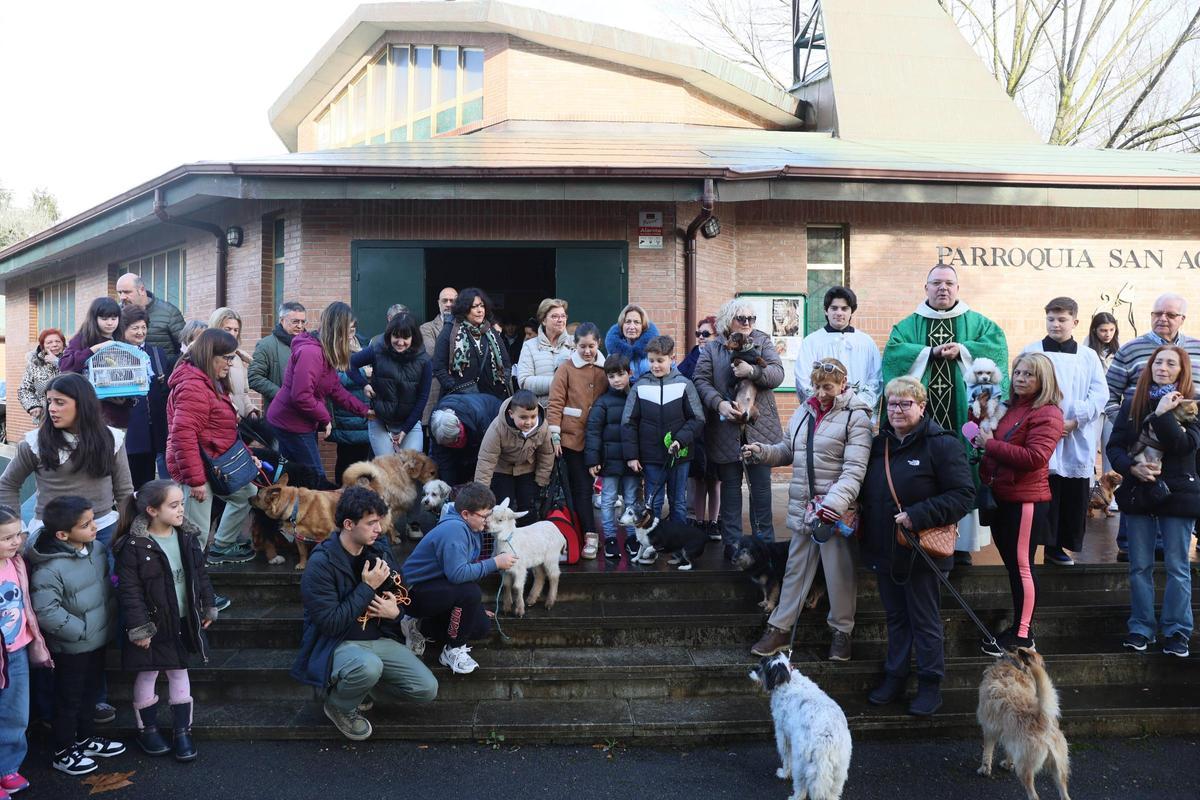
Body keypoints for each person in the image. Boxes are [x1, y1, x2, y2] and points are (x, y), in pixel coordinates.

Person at [859, 377, 975, 717]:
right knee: (895, 618)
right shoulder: (878, 444)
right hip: (884, 549)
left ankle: (929, 684)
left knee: (924, 619)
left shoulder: (942, 444)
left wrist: (917, 515)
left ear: (922, 407)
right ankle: (895, 676)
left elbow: (963, 495)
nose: (896, 410)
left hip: (922, 551)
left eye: (905, 403)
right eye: (892, 403)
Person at [744, 358, 873, 662]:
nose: (820, 392)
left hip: (834, 512)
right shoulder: (804, 411)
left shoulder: (857, 416)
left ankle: (842, 633)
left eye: (827, 386)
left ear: (843, 384)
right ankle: (779, 628)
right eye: (816, 386)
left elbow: (855, 470)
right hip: (805, 508)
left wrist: (833, 505)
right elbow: (788, 449)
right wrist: (762, 452)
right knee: (794, 571)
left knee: (839, 574)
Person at [882, 265, 1009, 566]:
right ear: (925, 288)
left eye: (949, 283)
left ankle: (961, 545)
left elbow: (997, 348)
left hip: (961, 420)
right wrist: (929, 353)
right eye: (936, 283)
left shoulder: (978, 323)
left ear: (958, 288)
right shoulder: (907, 326)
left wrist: (964, 350)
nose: (943, 288)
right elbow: (893, 355)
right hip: (922, 426)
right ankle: (921, 536)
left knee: (960, 474)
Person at [291, 487, 438, 741]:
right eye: (371, 523)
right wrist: (367, 587)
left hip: (377, 639)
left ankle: (360, 689)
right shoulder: (321, 563)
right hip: (337, 643)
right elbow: (330, 623)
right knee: (368, 666)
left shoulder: (377, 550)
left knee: (426, 689)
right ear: (348, 524)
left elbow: (401, 593)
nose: (378, 529)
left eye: (379, 522)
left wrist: (396, 612)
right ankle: (339, 705)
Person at [113, 480, 217, 762]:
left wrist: (207, 606)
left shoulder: (187, 537)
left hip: (181, 620)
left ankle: (183, 731)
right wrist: (139, 628)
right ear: (152, 510)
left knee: (179, 671)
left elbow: (200, 575)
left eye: (182, 503)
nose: (182, 509)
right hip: (151, 624)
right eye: (174, 505)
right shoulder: (134, 546)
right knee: (147, 673)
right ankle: (148, 729)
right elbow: (130, 592)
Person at [1107, 345, 1198, 658]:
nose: (1163, 367)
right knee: (1139, 566)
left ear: (1181, 370)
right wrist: (1132, 467)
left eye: (1171, 363)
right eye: (1158, 361)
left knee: (1177, 566)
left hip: (1178, 494)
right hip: (1139, 492)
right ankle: (1141, 628)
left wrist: (1161, 415)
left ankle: (1176, 631)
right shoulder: (1133, 402)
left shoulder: (1192, 406)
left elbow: (1186, 445)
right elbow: (1115, 446)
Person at [27, 496, 124, 775]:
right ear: (62, 534)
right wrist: (80, 631)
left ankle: (85, 739)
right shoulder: (50, 566)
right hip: (72, 647)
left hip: (97, 640)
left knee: (90, 694)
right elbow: (46, 610)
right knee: (68, 699)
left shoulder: (95, 549)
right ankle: (63, 751)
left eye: (93, 521)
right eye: (86, 524)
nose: (95, 528)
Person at [975, 352, 1064, 654]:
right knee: (1014, 566)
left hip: (1026, 501)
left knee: (1022, 567)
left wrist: (991, 445)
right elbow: (997, 446)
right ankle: (1020, 625)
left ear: (1044, 380)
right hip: (1002, 497)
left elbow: (1035, 458)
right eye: (1018, 373)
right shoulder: (1010, 407)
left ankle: (1023, 635)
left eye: (1029, 374)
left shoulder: (1048, 413)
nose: (1022, 379)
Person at [1104, 293, 1200, 560]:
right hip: (1142, 441)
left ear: (1182, 319)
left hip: (1187, 439)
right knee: (1139, 494)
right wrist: (1128, 424)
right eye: (1157, 313)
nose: (1163, 319)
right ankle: (1129, 543)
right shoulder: (1131, 349)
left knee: (1183, 503)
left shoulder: (1197, 347)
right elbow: (1109, 393)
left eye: (1170, 315)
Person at [0, 373, 133, 552]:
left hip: (102, 528)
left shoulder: (111, 439)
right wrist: (18, 530)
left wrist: (129, 528)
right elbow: (7, 484)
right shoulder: (35, 443)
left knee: (109, 578)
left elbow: (124, 490)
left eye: (60, 402)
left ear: (83, 404)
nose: (52, 408)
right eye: (49, 402)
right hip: (53, 534)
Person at [693, 299, 784, 554]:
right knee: (730, 493)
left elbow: (777, 374)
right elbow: (700, 381)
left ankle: (764, 548)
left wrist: (753, 371)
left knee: (761, 492)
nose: (747, 324)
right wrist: (719, 404)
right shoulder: (713, 348)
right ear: (727, 320)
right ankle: (732, 547)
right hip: (725, 431)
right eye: (741, 319)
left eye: (751, 319)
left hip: (759, 429)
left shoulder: (762, 341)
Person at [1021, 298, 1107, 565]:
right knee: (1043, 491)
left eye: (1062, 319)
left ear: (1075, 322)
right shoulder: (1033, 351)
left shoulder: (1088, 356)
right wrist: (1047, 424)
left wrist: (1076, 419)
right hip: (1041, 433)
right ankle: (1033, 544)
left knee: (1071, 493)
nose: (1055, 324)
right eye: (1051, 319)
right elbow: (1021, 386)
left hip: (1075, 435)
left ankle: (1058, 547)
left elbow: (1100, 393)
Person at [166, 329, 258, 566]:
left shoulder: (210, 382)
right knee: (194, 535)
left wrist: (248, 457)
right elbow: (182, 436)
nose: (230, 364)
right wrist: (195, 480)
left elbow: (224, 431)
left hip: (215, 464)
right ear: (209, 355)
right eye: (227, 358)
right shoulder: (193, 386)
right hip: (199, 469)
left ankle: (222, 546)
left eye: (232, 357)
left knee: (248, 494)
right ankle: (194, 597)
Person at [401, 482, 514, 675]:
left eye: (489, 514)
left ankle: (423, 626)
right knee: (470, 592)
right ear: (466, 514)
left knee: (479, 627)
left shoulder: (470, 528)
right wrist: (495, 563)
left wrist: (472, 608)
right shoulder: (455, 529)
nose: (487, 521)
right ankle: (452, 650)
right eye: (484, 516)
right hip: (410, 595)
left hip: (436, 589)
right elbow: (458, 574)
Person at [267, 302, 373, 481]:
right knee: (316, 479)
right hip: (290, 424)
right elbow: (301, 395)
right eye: (349, 331)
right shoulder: (312, 353)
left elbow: (335, 389)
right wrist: (325, 418)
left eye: (353, 330)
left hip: (298, 423)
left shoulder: (324, 352)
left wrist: (365, 411)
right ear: (337, 330)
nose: (351, 337)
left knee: (293, 477)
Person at [623, 335, 705, 526]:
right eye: (651, 361)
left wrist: (680, 440)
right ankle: (652, 546)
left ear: (672, 358)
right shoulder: (640, 386)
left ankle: (678, 548)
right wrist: (632, 456)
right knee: (654, 503)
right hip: (651, 458)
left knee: (679, 503)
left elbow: (698, 419)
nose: (655, 365)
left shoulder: (685, 384)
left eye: (660, 360)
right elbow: (628, 423)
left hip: (679, 456)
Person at [0, 505, 52, 794]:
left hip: (17, 650)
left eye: (18, 534)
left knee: (16, 713)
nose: (16, 541)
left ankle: (7, 768)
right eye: (7, 538)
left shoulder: (17, 562)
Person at [547, 322, 606, 557]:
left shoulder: (606, 368)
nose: (587, 351)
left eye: (591, 346)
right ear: (574, 345)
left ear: (598, 344)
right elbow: (555, 403)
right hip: (573, 441)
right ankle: (588, 536)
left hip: (602, 440)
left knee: (610, 494)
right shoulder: (566, 369)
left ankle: (610, 537)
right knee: (581, 489)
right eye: (582, 346)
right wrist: (555, 436)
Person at [351, 312, 431, 456]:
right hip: (380, 420)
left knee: (411, 472)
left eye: (406, 337)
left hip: (410, 423)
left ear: (413, 337)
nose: (400, 342)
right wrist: (364, 384)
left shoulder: (424, 361)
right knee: (389, 471)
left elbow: (423, 398)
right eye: (396, 336)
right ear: (389, 335)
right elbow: (351, 364)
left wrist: (405, 429)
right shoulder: (377, 350)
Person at [795, 286, 883, 415]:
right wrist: (825, 404)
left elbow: (876, 379)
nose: (839, 313)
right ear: (826, 310)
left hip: (858, 413)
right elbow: (803, 379)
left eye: (844, 308)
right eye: (834, 308)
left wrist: (857, 405)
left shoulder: (866, 342)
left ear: (851, 311)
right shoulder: (812, 342)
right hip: (823, 414)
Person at [586, 355, 640, 561]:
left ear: (629, 374)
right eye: (611, 376)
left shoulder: (636, 398)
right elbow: (593, 431)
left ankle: (632, 537)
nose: (616, 380)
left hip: (632, 461)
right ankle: (609, 538)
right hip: (609, 462)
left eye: (620, 375)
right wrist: (593, 460)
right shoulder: (603, 403)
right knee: (608, 500)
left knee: (631, 499)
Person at [474, 390, 554, 516]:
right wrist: (481, 491)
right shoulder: (497, 428)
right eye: (523, 417)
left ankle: (527, 531)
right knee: (504, 506)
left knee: (528, 506)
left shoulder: (543, 427)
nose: (528, 422)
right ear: (511, 414)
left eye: (533, 417)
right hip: (502, 469)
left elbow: (546, 454)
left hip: (527, 468)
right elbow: (486, 460)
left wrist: (541, 480)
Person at [58, 297, 133, 429]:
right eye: (104, 319)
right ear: (94, 318)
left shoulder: (122, 341)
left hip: (118, 413)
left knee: (118, 448)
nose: (110, 323)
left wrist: (127, 397)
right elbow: (65, 365)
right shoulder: (83, 338)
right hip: (90, 412)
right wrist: (95, 349)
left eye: (114, 318)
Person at [678, 316, 721, 540]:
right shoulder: (692, 356)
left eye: (706, 334)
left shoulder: (721, 356)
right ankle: (698, 520)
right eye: (699, 334)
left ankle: (713, 522)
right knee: (698, 477)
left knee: (714, 478)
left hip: (716, 425)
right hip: (696, 424)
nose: (701, 338)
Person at [119, 306, 171, 490]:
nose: (140, 332)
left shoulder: (157, 353)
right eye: (135, 328)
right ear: (123, 329)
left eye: (143, 327)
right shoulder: (116, 354)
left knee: (148, 482)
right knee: (128, 481)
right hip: (129, 428)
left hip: (153, 428)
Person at [433, 288, 512, 401]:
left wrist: (502, 384)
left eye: (482, 306)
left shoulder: (491, 331)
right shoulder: (450, 331)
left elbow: (506, 364)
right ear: (464, 309)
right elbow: (439, 366)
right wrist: (454, 388)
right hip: (461, 401)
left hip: (492, 400)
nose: (480, 310)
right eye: (474, 307)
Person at [429, 393, 503, 487]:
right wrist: (449, 490)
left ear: (459, 426)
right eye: (449, 444)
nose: (454, 444)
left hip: (493, 418)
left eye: (456, 440)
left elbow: (487, 457)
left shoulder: (479, 418)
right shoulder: (436, 427)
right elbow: (444, 462)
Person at [249, 301, 306, 417]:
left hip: (307, 416)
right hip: (279, 416)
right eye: (295, 321)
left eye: (303, 322)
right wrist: (283, 395)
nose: (300, 326)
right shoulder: (266, 345)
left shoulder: (311, 345)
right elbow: (254, 377)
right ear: (282, 320)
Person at [330, 330, 373, 484]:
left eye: (354, 328)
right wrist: (363, 372)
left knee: (364, 461)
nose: (351, 332)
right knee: (346, 459)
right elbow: (333, 379)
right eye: (347, 328)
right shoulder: (333, 348)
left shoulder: (366, 343)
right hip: (345, 412)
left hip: (365, 409)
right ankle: (341, 495)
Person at [114, 274, 185, 363]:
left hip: (164, 373)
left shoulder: (169, 312)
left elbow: (185, 347)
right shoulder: (115, 313)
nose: (122, 297)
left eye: (127, 292)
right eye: (120, 292)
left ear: (142, 290)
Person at [517, 298, 574, 406]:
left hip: (569, 412)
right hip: (540, 413)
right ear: (543, 320)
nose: (560, 320)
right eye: (555, 316)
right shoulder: (529, 346)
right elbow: (524, 382)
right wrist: (559, 382)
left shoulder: (575, 343)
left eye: (563, 316)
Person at [208, 308, 256, 420]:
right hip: (222, 420)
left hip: (240, 423)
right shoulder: (209, 357)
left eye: (236, 330)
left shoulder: (238, 358)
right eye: (227, 329)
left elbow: (243, 393)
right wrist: (232, 411)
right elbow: (216, 392)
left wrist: (250, 410)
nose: (232, 334)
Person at [420, 287, 458, 429]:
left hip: (460, 390)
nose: (448, 304)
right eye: (445, 300)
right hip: (435, 389)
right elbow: (434, 354)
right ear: (439, 303)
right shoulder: (426, 328)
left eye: (452, 301)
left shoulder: (467, 327)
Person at [1087, 312, 1120, 474]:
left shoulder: (1120, 350)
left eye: (1111, 330)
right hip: (1093, 407)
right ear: (1094, 330)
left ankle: (1112, 496)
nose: (1108, 334)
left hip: (1112, 407)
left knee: (1111, 450)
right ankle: (1089, 491)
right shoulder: (1085, 351)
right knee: (1089, 449)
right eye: (1103, 330)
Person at [18, 328, 64, 425]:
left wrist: (57, 362)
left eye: (58, 341)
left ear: (63, 344)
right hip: (45, 418)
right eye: (49, 342)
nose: (54, 344)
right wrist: (33, 405)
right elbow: (24, 389)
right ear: (43, 346)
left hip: (69, 415)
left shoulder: (72, 362)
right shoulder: (34, 365)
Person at [604, 304, 659, 381]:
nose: (632, 327)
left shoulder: (654, 348)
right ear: (622, 325)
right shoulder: (614, 350)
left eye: (636, 322)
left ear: (642, 326)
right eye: (628, 322)